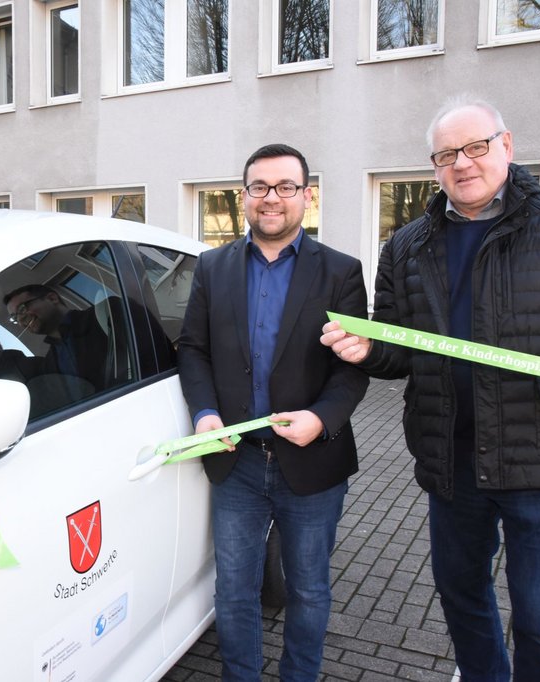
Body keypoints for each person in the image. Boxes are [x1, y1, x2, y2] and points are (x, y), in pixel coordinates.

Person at [321, 97, 540, 681]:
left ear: (507, 146)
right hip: (452, 462)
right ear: (434, 165)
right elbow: (401, 348)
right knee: (461, 598)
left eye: (476, 147)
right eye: (446, 154)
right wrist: (368, 351)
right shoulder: (407, 245)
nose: (462, 163)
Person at [178, 143, 370, 680]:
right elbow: (193, 348)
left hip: (312, 461)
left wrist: (322, 418)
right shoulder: (212, 267)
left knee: (308, 589)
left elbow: (354, 367)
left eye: (286, 187)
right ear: (244, 196)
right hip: (235, 461)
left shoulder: (340, 271)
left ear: (306, 196)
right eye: (260, 187)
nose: (271, 198)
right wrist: (204, 413)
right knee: (233, 589)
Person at [3, 284, 123, 392]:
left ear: (52, 298)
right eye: (15, 318)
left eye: (22, 309)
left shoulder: (108, 312)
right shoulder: (49, 364)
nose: (20, 320)